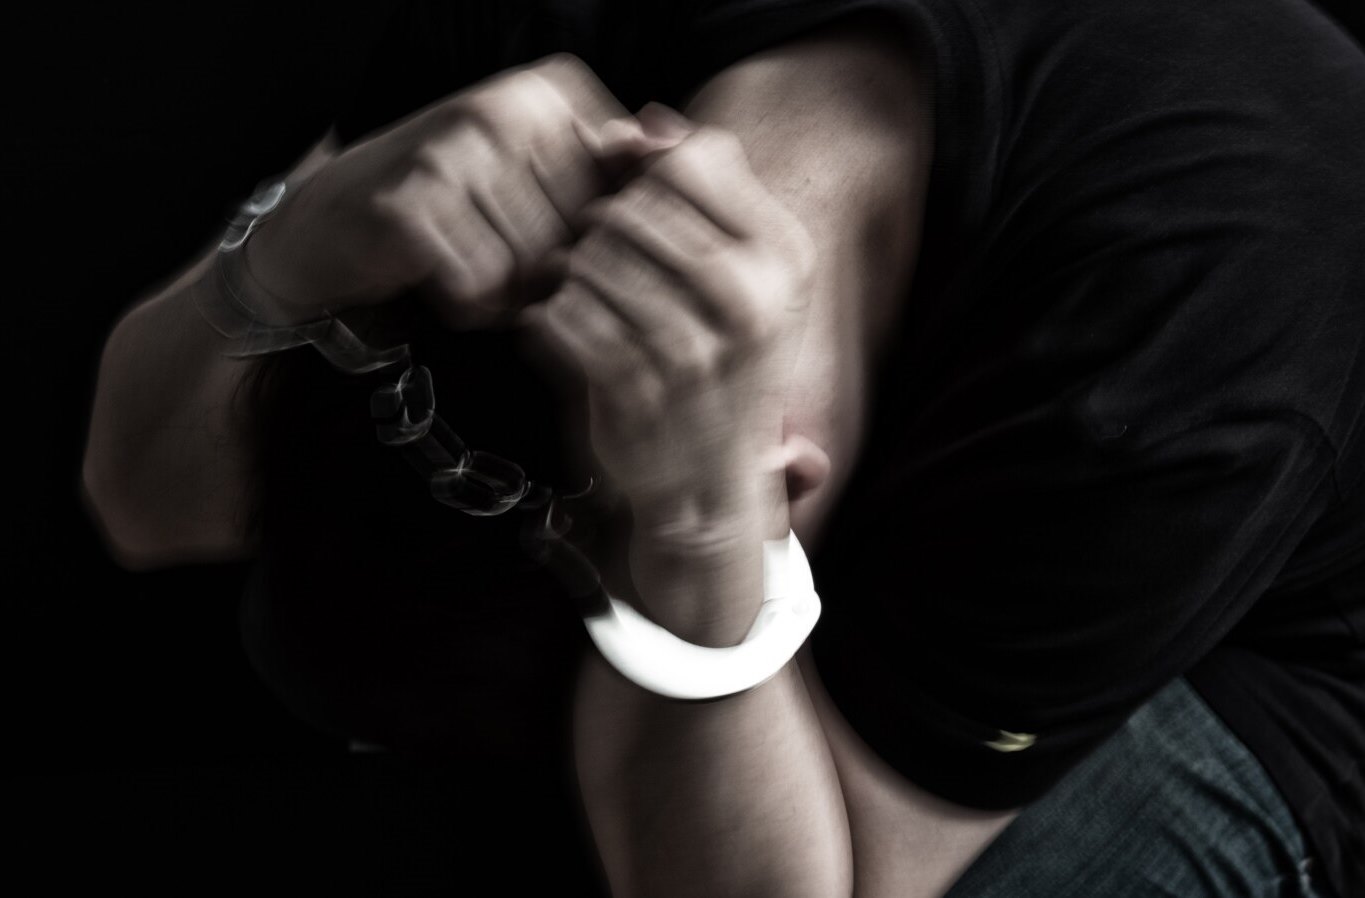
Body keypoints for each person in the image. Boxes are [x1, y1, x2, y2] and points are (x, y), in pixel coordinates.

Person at [81, 1, 1364, 896]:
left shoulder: (1167, 363)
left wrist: (700, 533)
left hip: (1266, 647)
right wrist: (311, 231)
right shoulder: (535, 35)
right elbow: (141, 498)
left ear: (798, 475)